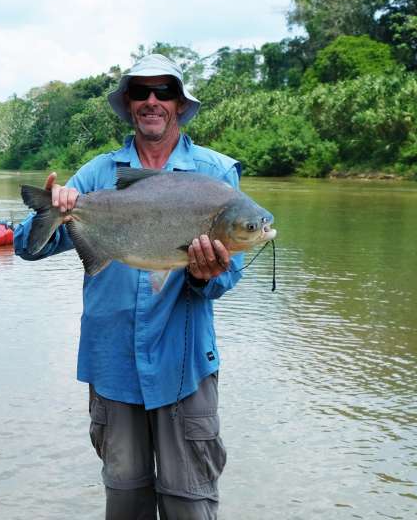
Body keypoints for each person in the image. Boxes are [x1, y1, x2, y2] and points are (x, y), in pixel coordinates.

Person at [14, 53, 244, 519]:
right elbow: (27, 247)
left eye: (164, 92)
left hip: (183, 368)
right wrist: (55, 206)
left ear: (180, 104)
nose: (152, 101)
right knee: (125, 502)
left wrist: (205, 276)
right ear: (128, 104)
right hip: (112, 364)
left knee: (191, 505)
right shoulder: (99, 173)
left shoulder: (216, 173)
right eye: (141, 92)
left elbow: (231, 275)